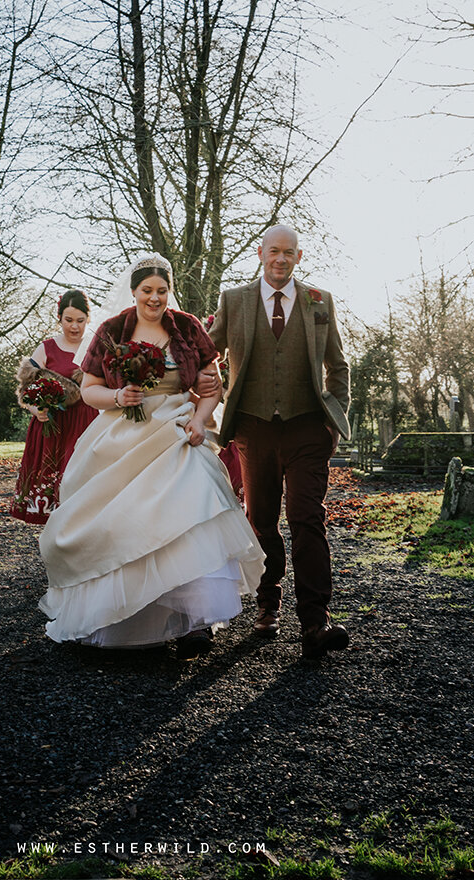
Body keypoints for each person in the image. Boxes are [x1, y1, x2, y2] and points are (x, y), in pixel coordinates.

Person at [37, 255, 265, 656]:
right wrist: (118, 396)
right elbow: (89, 389)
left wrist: (200, 419)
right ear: (134, 291)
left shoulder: (188, 327)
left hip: (178, 431)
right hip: (123, 433)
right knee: (125, 522)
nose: (155, 298)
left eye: (162, 291)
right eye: (147, 291)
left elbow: (211, 385)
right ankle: (131, 614)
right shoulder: (111, 330)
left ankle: (193, 621)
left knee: (193, 514)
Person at [208, 224, 352, 661]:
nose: (281, 259)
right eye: (274, 251)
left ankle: (315, 620)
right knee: (262, 518)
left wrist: (333, 421)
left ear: (299, 256)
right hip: (254, 427)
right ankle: (267, 604)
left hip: (308, 427)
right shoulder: (233, 300)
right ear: (260, 253)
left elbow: (338, 366)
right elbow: (205, 352)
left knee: (307, 517)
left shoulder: (319, 301)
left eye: (289, 252)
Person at [10, 290, 98, 524]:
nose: (74, 326)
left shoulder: (94, 348)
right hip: (52, 425)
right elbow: (25, 391)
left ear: (88, 319)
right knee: (53, 488)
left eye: (80, 320)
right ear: (59, 318)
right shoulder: (47, 348)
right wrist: (35, 410)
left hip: (85, 423)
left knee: (78, 481)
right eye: (68, 320)